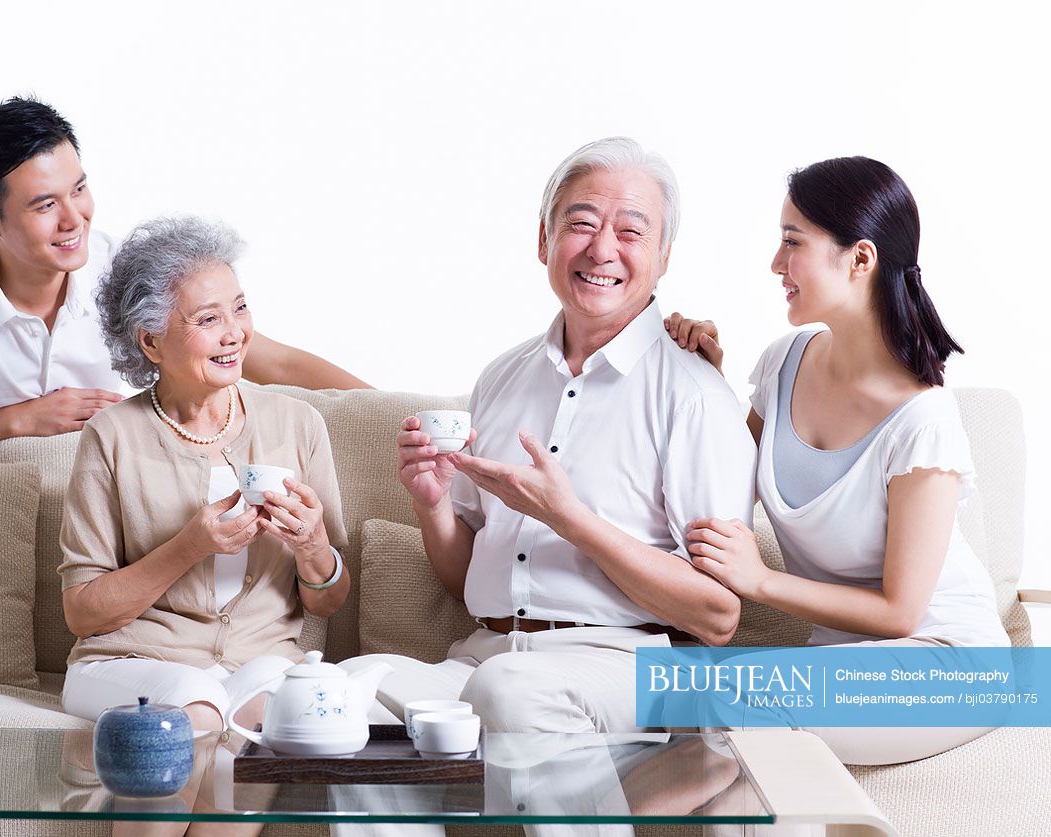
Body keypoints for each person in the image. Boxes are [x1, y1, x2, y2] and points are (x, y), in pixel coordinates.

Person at [343, 137, 758, 740]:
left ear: (664, 256)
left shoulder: (695, 395)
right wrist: (430, 504)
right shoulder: (501, 378)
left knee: (507, 691)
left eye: (631, 232)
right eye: (582, 223)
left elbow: (719, 616)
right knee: (346, 691)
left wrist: (567, 517)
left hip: (630, 664)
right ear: (544, 240)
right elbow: (469, 585)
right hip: (486, 656)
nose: (602, 249)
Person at [668, 156, 1009, 765]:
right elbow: (725, 477)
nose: (776, 264)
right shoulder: (784, 361)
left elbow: (902, 613)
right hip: (841, 663)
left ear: (860, 259)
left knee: (728, 703)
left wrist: (762, 581)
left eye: (792, 242)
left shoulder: (922, 419)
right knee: (683, 694)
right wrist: (704, 381)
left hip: (949, 661)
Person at [0, 97, 367, 467]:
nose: (75, 219)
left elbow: (267, 359)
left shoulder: (117, 265)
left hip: (110, 485)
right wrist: (18, 420)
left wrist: (396, 406)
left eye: (79, 189)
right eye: (46, 205)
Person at [57, 215, 350, 735]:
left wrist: (312, 545)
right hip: (130, 661)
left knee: (281, 717)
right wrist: (190, 546)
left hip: (256, 661)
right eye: (208, 320)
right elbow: (83, 614)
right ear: (150, 342)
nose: (234, 333)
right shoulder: (112, 436)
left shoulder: (297, 425)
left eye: (239, 308)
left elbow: (329, 601)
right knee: (195, 706)